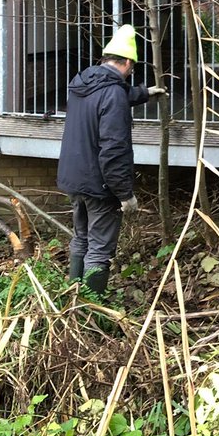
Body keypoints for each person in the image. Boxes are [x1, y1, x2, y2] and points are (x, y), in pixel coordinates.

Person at [57, 24, 166, 298]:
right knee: (100, 248)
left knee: (81, 238)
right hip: (100, 185)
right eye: (131, 68)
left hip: (74, 178)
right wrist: (124, 194)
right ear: (128, 62)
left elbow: (115, 93)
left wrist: (145, 93)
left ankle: (73, 297)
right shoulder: (113, 93)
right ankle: (90, 309)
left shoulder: (83, 82)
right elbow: (114, 150)